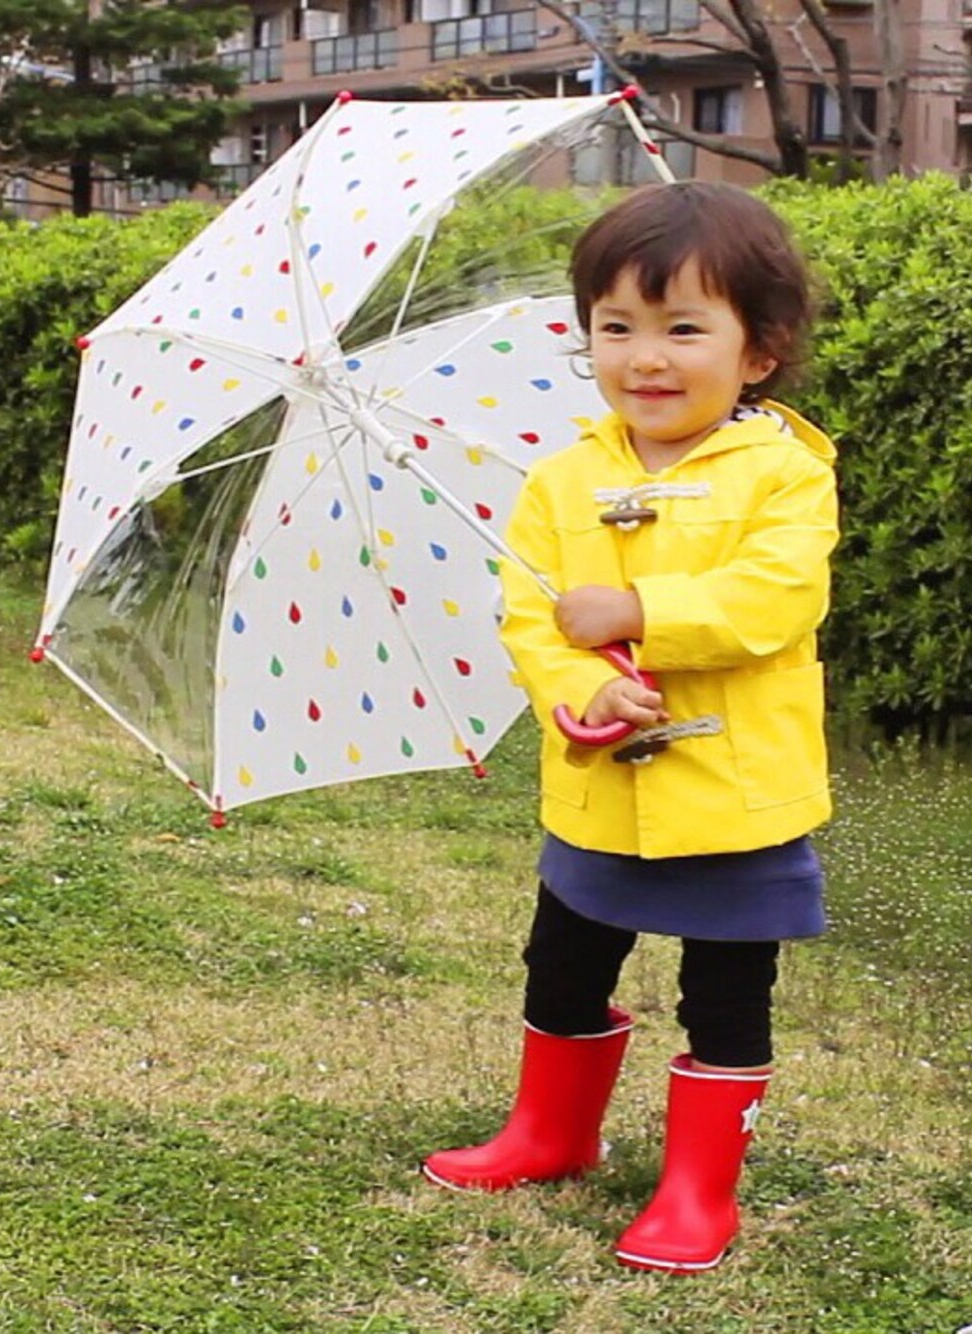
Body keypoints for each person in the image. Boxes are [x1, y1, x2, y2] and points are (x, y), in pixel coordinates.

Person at [421, 181, 839, 1275]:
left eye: (683, 329)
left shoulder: (788, 474)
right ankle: (549, 1131)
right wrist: (584, 690)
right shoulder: (563, 480)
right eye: (616, 327)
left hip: (735, 794)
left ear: (760, 351)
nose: (645, 357)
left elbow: (775, 598)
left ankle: (699, 1189)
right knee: (560, 962)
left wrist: (640, 614)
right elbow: (531, 616)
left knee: (725, 991)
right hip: (599, 786)